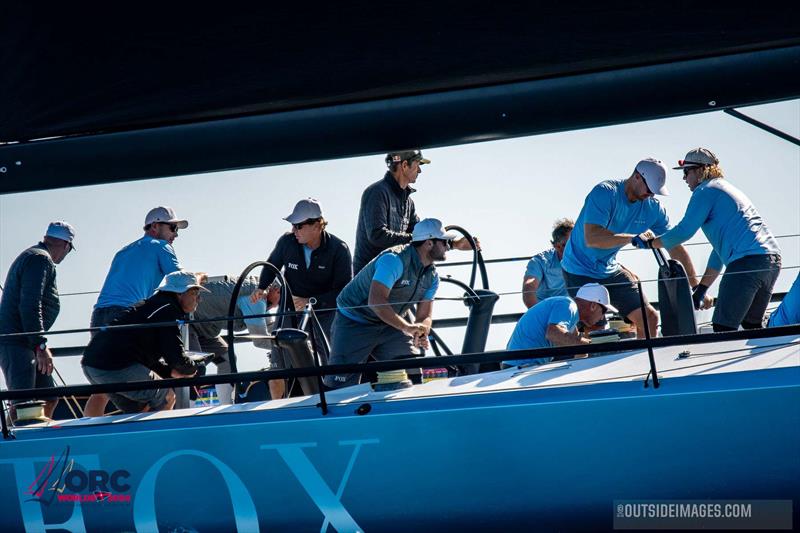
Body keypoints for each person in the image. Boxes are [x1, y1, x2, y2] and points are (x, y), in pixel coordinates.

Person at [643, 148, 781, 331]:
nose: (684, 178)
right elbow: (719, 253)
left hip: (747, 264)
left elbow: (684, 231)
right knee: (751, 325)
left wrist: (650, 243)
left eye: (686, 172)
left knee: (723, 327)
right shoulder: (725, 188)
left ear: (701, 170)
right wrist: (701, 289)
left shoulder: (704, 191)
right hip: (771, 261)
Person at [560, 158, 700, 338]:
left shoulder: (654, 209)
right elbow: (592, 238)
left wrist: (696, 287)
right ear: (636, 177)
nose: (650, 195)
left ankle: (647, 364)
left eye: (654, 192)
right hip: (578, 270)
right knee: (590, 323)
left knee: (650, 318)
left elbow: (674, 245)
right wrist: (631, 238)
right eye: (649, 189)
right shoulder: (604, 193)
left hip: (608, 269)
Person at [323, 218, 452, 389]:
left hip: (391, 324)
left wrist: (421, 330)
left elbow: (425, 316)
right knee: (338, 387)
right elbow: (375, 301)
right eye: (445, 242)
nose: (448, 246)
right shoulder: (393, 260)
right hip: (354, 323)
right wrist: (406, 327)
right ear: (429, 243)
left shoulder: (433, 276)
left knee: (413, 373)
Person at [85, 206, 188, 416]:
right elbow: (181, 282)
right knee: (154, 388)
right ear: (155, 227)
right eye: (173, 228)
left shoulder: (123, 251)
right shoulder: (161, 246)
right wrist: (200, 283)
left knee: (104, 384)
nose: (175, 235)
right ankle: (152, 439)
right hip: (124, 317)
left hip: (99, 317)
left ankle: (87, 434)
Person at [81, 271, 204, 414]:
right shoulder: (167, 311)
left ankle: (108, 435)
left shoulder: (152, 305)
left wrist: (169, 371)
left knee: (139, 407)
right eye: (195, 293)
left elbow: (140, 352)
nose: (199, 299)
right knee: (167, 397)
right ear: (180, 293)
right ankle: (155, 436)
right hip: (115, 366)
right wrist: (193, 368)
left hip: (91, 364)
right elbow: (177, 358)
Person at [352, 150, 475, 273]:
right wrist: (420, 239)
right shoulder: (377, 192)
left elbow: (422, 234)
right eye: (417, 165)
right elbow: (377, 235)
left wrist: (454, 244)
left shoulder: (408, 202)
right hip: (370, 278)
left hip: (392, 274)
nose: (420, 171)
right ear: (405, 165)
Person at [0, 222, 76, 421]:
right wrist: (41, 345)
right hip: (17, 342)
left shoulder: (35, 257)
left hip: (27, 341)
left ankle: (42, 439)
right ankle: (13, 449)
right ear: (66, 245)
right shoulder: (39, 259)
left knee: (48, 398)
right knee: (23, 405)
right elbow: (30, 304)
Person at [250, 198, 352, 342]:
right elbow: (271, 266)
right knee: (280, 351)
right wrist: (261, 288)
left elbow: (343, 293)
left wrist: (310, 302)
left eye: (298, 226)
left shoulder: (339, 250)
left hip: (325, 314)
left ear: (317, 225)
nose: (293, 230)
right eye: (293, 225)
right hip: (290, 311)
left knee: (329, 357)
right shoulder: (286, 242)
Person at [191, 275, 278, 403]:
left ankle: (224, 409)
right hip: (187, 324)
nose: (279, 306)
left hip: (205, 329)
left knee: (227, 360)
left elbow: (269, 327)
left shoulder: (258, 290)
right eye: (283, 300)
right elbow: (260, 340)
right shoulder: (257, 298)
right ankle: (184, 411)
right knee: (195, 366)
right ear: (277, 291)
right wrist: (288, 345)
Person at [504, 283, 615, 367]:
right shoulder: (567, 305)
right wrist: (592, 344)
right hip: (520, 366)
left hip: (518, 365)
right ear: (593, 306)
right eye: (604, 311)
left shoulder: (569, 317)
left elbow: (579, 351)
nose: (602, 318)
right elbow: (553, 333)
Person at [522, 218, 574, 308]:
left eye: (579, 242)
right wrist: (540, 315)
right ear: (558, 246)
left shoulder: (586, 258)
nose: (578, 247)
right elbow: (529, 288)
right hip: (545, 311)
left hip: (575, 311)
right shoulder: (540, 261)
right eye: (572, 243)